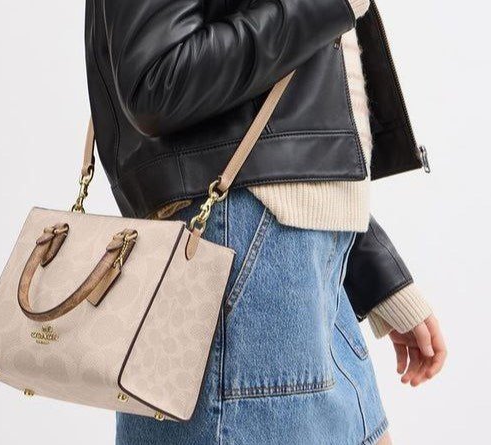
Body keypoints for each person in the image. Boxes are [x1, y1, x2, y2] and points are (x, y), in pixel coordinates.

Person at [84, 1, 447, 443]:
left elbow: (285, 129)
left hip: (302, 269)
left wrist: (375, 275)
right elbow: (157, 83)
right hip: (244, 270)